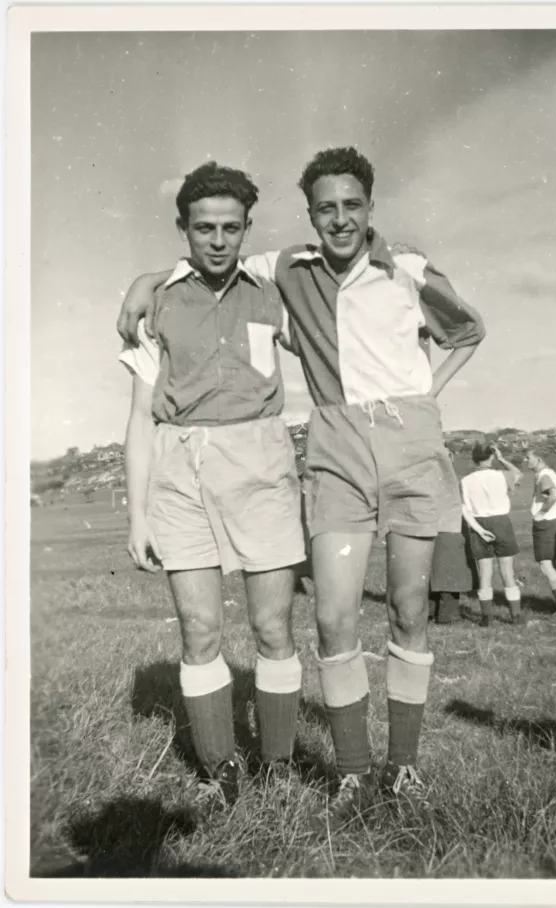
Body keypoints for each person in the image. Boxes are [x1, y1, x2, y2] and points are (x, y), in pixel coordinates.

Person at [117, 146, 485, 830]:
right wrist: (145, 279)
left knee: (406, 609)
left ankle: (397, 765)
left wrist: (423, 394)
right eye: (326, 208)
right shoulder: (284, 269)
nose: (340, 218)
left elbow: (465, 330)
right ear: (310, 215)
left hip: (390, 450)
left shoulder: (391, 270)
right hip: (317, 452)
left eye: (352, 205)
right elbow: (197, 271)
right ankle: (340, 773)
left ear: (370, 208)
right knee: (327, 618)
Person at [120, 162, 306, 809]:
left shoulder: (275, 290)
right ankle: (219, 769)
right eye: (205, 228)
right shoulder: (160, 302)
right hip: (180, 469)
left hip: (263, 466)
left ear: (248, 228)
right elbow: (141, 421)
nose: (219, 240)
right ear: (184, 230)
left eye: (231, 227)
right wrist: (138, 516)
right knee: (199, 629)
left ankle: (278, 764)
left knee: (273, 626)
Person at [460, 443, 523, 626]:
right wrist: (502, 458)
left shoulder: (465, 480)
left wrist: (478, 529)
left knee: (485, 573)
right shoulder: (502, 475)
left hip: (478, 523)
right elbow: (518, 473)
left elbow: (465, 509)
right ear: (491, 457)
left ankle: (487, 617)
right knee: (507, 571)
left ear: (473, 459)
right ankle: (516, 616)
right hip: (501, 522)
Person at [524, 450, 556, 619]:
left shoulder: (544, 475)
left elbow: (554, 494)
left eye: (528, 457)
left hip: (544, 524)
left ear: (538, 458)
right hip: (553, 522)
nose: (525, 460)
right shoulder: (551, 473)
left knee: (546, 566)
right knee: (555, 564)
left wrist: (542, 513)